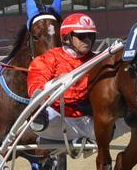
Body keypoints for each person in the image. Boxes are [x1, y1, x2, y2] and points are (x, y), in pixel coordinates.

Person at [26, 12, 99, 140]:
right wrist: (55, 83)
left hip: (88, 119)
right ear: (66, 38)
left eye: (91, 36)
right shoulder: (49, 58)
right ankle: (37, 114)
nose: (87, 40)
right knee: (46, 109)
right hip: (57, 118)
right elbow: (36, 84)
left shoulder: (98, 60)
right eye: (82, 36)